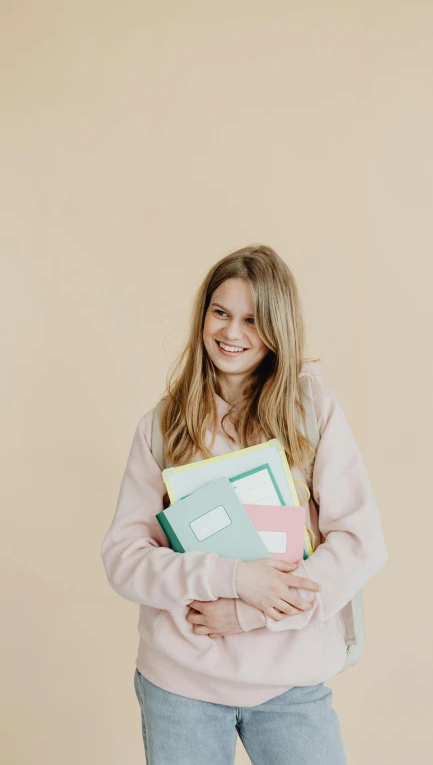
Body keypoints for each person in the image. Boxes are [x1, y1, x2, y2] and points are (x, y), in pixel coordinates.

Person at [101, 244, 388, 765]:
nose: (232, 334)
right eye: (221, 313)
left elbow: (359, 544)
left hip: (290, 683)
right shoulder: (162, 427)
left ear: (278, 328)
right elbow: (123, 559)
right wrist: (233, 577)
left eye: (253, 320)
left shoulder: (312, 413)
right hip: (179, 685)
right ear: (203, 316)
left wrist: (252, 612)